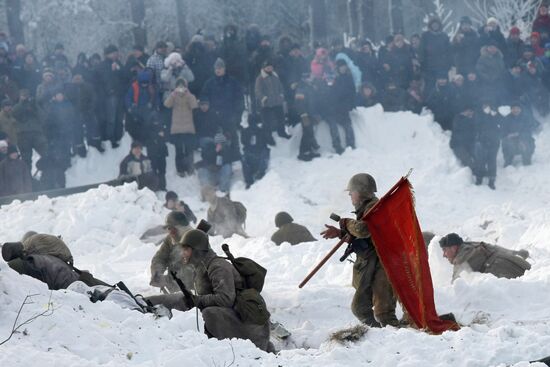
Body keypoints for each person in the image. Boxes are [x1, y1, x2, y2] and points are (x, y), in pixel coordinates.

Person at [146, 229, 271, 351]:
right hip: (233, 317)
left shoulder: (218, 266)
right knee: (181, 299)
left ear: (197, 251)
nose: (182, 253)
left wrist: (197, 300)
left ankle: (222, 349)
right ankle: (143, 303)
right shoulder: (201, 267)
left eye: (186, 249)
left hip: (252, 329)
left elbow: (225, 299)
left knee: (208, 313)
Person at [321, 173, 398, 327]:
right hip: (372, 262)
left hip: (383, 263)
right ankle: (381, 336)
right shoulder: (366, 209)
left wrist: (346, 222)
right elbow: (367, 238)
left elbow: (364, 230)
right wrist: (340, 233)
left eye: (352, 191)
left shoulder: (375, 207)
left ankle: (396, 341)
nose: (350, 195)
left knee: (383, 313)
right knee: (361, 308)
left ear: (362, 192)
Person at [439, 233, 531, 281]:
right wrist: (516, 253)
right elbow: (496, 248)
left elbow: (456, 287)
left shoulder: (461, 258)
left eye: (445, 250)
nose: (444, 255)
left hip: (511, 273)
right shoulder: (474, 245)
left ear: (454, 248)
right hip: (520, 264)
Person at [149, 211, 193, 293]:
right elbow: (160, 257)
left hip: (193, 292)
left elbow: (190, 272)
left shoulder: (196, 239)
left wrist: (166, 280)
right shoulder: (170, 239)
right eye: (168, 229)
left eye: (171, 228)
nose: (169, 232)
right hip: (175, 291)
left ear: (180, 228)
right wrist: (157, 273)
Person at [164, 78, 198, 176]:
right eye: (179, 86)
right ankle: (180, 170)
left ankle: (190, 168)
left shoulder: (190, 96)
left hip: (188, 128)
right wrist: (173, 94)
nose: (181, 89)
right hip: (177, 129)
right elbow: (166, 104)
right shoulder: (173, 97)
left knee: (189, 150)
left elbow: (194, 105)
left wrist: (188, 94)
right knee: (179, 150)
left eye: (182, 86)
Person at [254, 58, 289, 142]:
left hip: (277, 102)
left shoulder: (275, 76)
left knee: (281, 119)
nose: (269, 68)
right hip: (266, 103)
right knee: (267, 122)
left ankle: (282, 132)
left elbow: (280, 87)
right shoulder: (260, 78)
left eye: (270, 67)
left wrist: (281, 95)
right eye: (267, 67)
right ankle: (268, 137)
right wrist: (263, 98)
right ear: (264, 68)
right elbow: (257, 90)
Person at [328, 59, 356, 153]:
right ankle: (337, 146)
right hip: (333, 107)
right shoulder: (333, 77)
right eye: (341, 66)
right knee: (333, 126)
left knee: (348, 125)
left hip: (344, 106)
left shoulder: (349, 77)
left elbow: (352, 91)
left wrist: (350, 104)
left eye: (344, 66)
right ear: (338, 68)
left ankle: (351, 145)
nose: (343, 68)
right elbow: (330, 92)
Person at [473, 100, 501, 189]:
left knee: (492, 161)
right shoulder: (479, 115)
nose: (486, 108)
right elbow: (477, 125)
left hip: (494, 141)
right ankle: (479, 179)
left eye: (487, 106)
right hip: (482, 141)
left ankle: (492, 181)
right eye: (484, 107)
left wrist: (495, 115)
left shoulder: (496, 114)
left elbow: (501, 124)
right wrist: (486, 115)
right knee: (481, 160)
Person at [501, 102, 537, 166]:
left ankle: (527, 161)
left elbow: (528, 131)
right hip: (511, 140)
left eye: (517, 108)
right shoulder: (506, 119)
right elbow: (503, 131)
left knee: (528, 143)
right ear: (511, 110)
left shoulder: (525, 118)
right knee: (506, 142)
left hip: (523, 138)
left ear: (520, 109)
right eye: (514, 109)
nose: (515, 110)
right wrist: (508, 135)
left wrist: (519, 135)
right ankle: (508, 161)